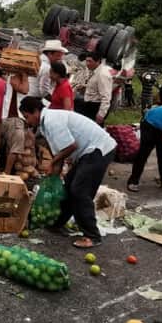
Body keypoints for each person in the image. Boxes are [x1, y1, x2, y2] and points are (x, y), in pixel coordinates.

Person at [20, 96, 117, 248]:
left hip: (99, 149)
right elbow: (62, 151)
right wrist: (54, 173)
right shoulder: (45, 124)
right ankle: (57, 223)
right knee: (68, 187)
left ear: (36, 112)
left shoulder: (51, 121)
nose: (28, 121)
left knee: (79, 191)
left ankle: (92, 236)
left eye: (27, 117)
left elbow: (71, 146)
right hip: (88, 152)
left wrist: (53, 163)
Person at [81, 53, 114, 124]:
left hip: (96, 106)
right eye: (86, 61)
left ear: (98, 61)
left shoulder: (102, 74)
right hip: (89, 104)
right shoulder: (94, 71)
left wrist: (101, 114)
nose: (87, 64)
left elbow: (106, 96)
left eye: (90, 61)